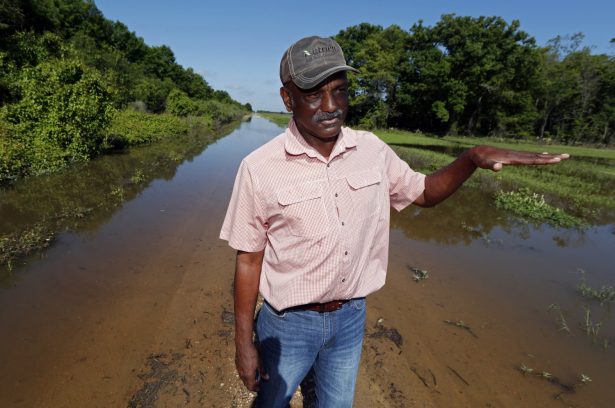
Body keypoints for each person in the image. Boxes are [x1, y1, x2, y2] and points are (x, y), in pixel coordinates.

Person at [220, 35, 568, 407]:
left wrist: (472, 158)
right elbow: (249, 259)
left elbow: (424, 193)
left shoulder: (371, 150)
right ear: (287, 99)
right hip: (288, 324)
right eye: (312, 95)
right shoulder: (259, 168)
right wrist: (244, 344)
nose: (330, 106)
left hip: (349, 319)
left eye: (340, 91)